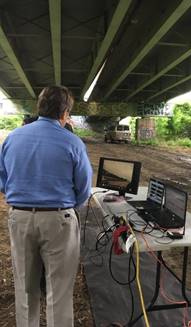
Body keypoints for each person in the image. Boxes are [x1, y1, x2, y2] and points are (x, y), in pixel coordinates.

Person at [0, 85, 93, 327]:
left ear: (39, 108)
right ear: (65, 114)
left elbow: (3, 181)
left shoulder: (12, 138)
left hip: (19, 218)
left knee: (25, 287)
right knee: (59, 291)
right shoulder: (72, 142)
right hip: (58, 220)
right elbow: (83, 189)